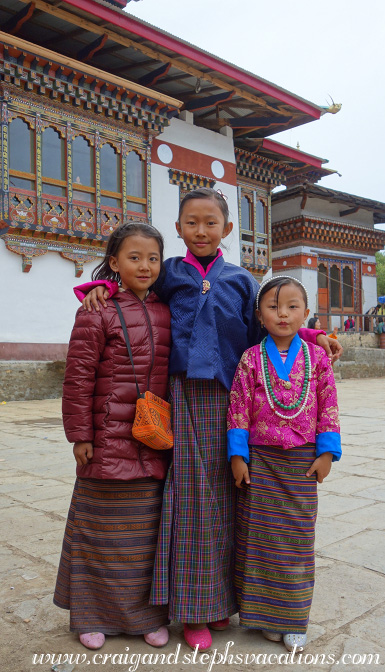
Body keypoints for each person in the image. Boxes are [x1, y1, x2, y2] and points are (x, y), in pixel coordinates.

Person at [78, 188, 342, 652]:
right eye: (192, 223)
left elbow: (269, 324)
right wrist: (97, 286)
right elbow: (130, 289)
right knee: (193, 501)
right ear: (178, 228)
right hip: (181, 398)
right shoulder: (168, 274)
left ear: (227, 229)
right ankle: (195, 609)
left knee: (230, 500)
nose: (201, 231)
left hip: (234, 398)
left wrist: (314, 334)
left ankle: (225, 603)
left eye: (211, 223)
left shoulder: (240, 279)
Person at [54, 222, 171, 650]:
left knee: (143, 538)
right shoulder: (95, 310)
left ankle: (144, 618)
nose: (144, 265)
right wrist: (79, 434)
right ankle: (92, 616)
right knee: (98, 535)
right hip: (105, 440)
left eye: (153, 258)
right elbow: (78, 376)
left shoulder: (168, 307)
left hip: (151, 439)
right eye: (134, 257)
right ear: (115, 262)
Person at [227, 276, 341, 652]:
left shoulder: (319, 358)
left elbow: (329, 406)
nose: (283, 314)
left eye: (293, 307)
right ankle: (263, 618)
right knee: (260, 540)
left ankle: (293, 619)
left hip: (302, 463)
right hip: (261, 462)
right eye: (273, 307)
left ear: (306, 314)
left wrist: (326, 452)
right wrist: (238, 456)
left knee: (296, 541)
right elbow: (239, 409)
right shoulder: (250, 359)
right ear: (259, 315)